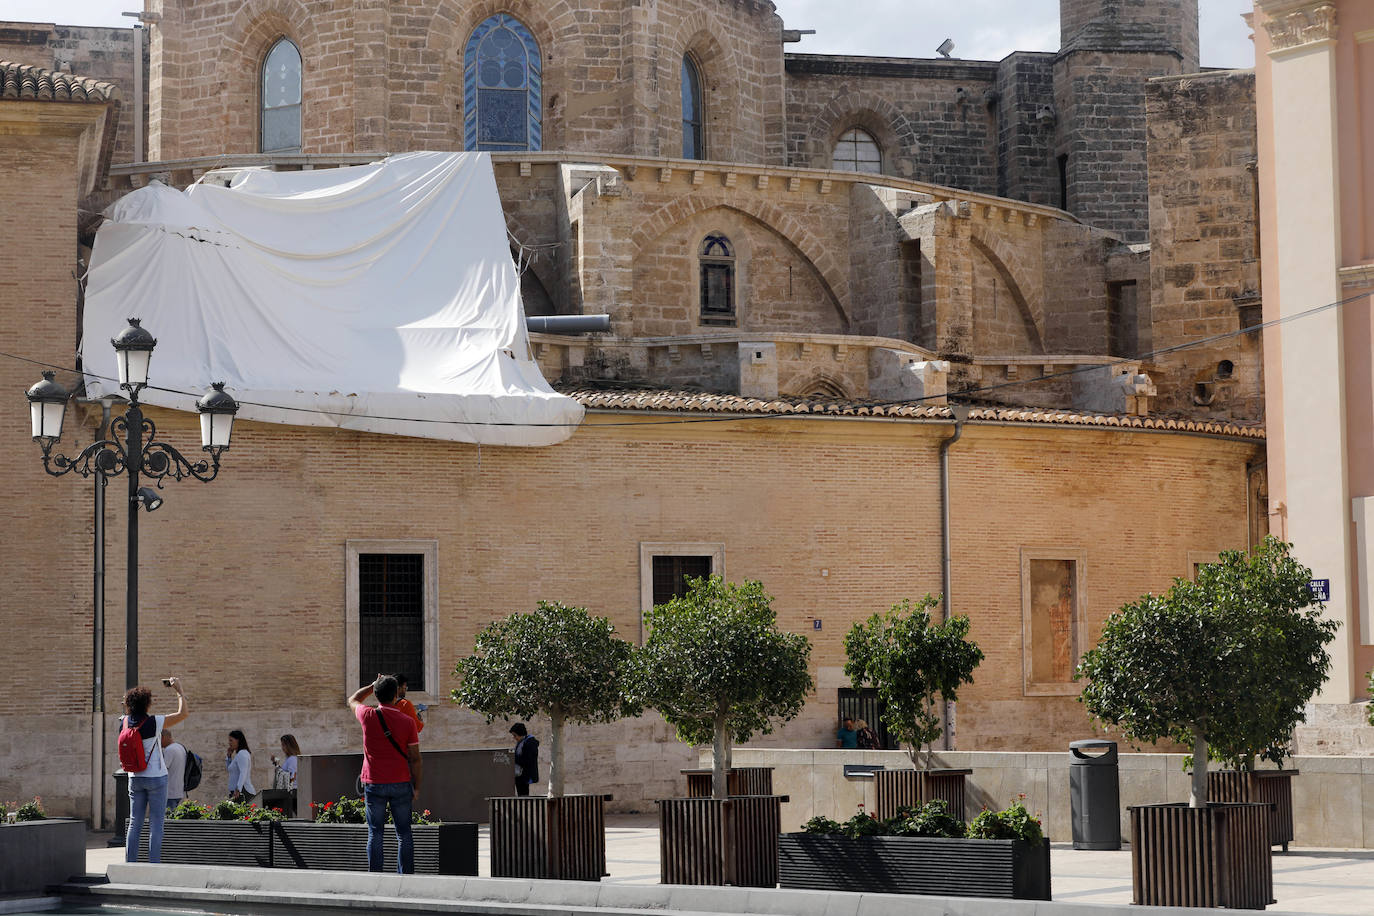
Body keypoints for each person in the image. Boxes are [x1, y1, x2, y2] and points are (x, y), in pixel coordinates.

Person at [348, 675, 423, 874]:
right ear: (396, 694)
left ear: (377, 694)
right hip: (400, 782)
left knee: (375, 833)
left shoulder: (367, 715)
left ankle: (376, 878)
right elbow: (415, 758)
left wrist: (372, 686)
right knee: (404, 833)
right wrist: (416, 786)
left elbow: (353, 699)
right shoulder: (408, 722)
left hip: (374, 783)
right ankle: (405, 876)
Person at [120, 677, 188, 863]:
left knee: (135, 822)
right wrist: (179, 691)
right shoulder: (154, 722)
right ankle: (153, 864)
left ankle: (130, 863)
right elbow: (182, 714)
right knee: (156, 823)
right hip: (156, 777)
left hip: (134, 777)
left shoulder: (124, 723)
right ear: (147, 704)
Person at [226, 730, 257, 801]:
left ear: (238, 740)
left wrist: (238, 789)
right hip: (237, 792)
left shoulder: (242, 754)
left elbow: (243, 772)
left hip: (242, 791)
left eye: (231, 740)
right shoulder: (238, 755)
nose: (229, 743)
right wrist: (229, 757)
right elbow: (229, 769)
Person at [510, 723, 539, 796]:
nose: (514, 738)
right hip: (519, 775)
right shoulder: (521, 743)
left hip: (524, 774)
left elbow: (528, 759)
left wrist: (514, 759)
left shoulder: (529, 743)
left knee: (523, 794)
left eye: (515, 735)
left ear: (520, 733)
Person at [162, 729, 188, 812]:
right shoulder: (180, 747)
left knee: (167, 821)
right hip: (179, 791)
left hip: (170, 793)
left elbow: (163, 770)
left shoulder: (169, 750)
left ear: (163, 737)